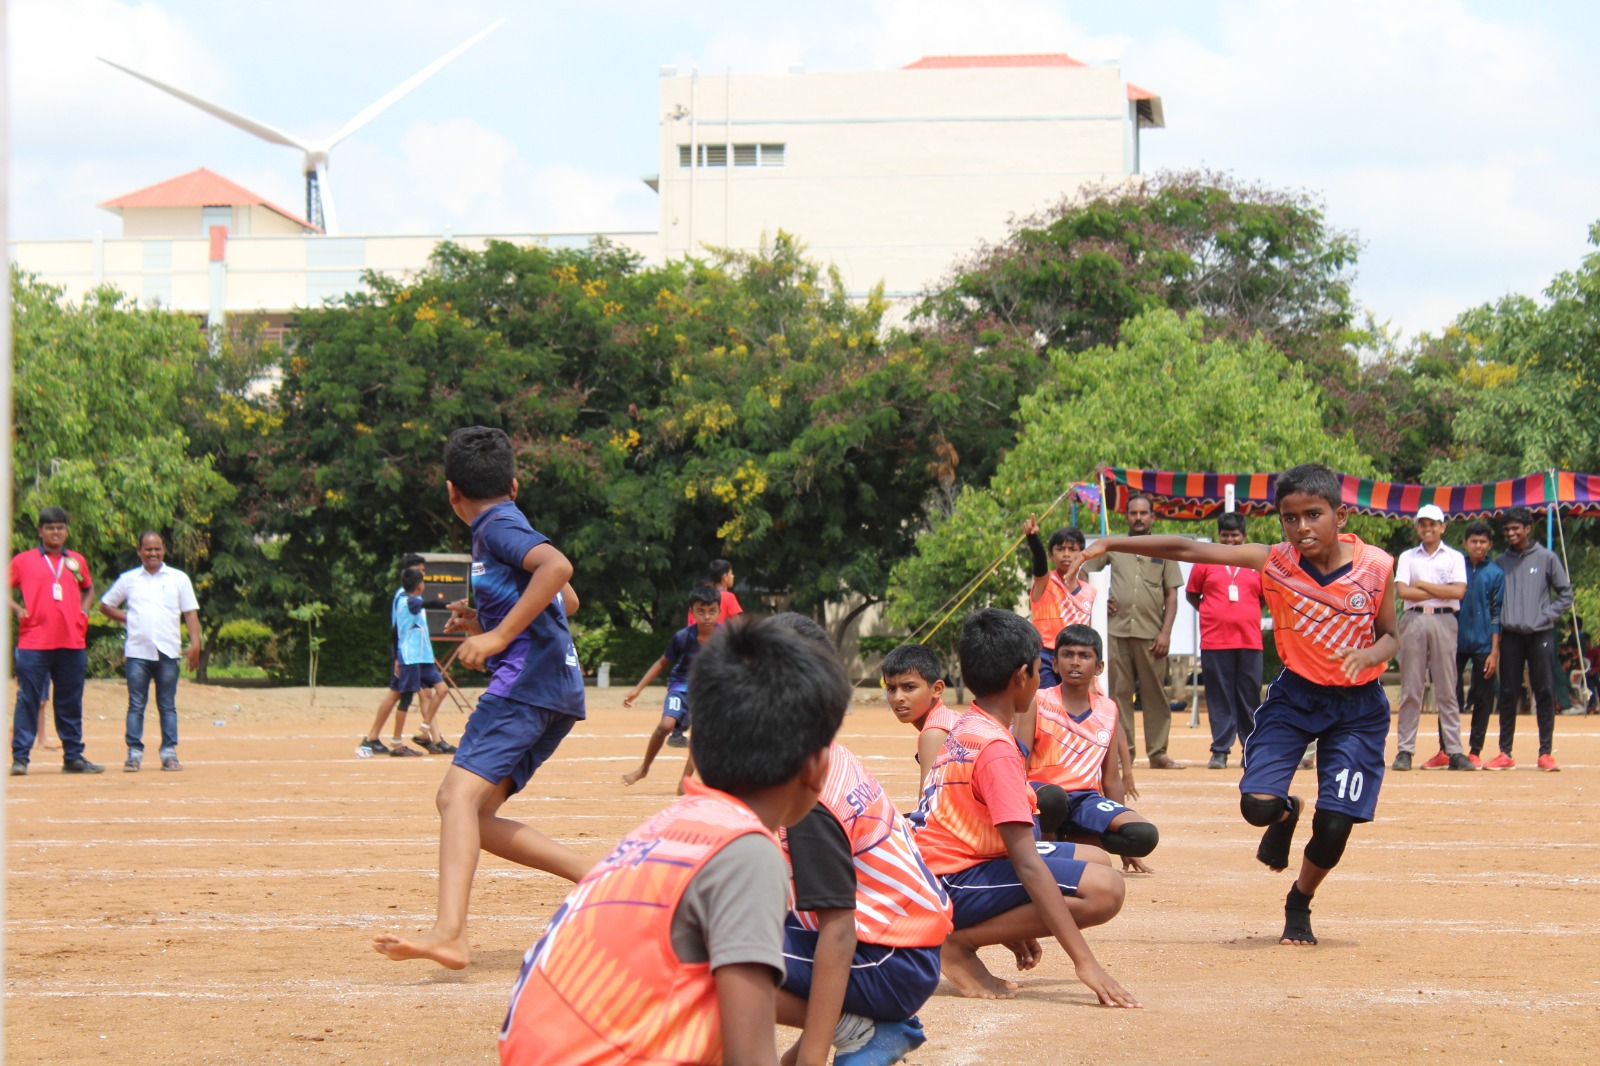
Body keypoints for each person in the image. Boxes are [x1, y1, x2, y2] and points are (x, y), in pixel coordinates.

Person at [499, 617, 847, 1066]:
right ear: (818, 768)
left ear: (697, 750)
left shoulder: (669, 823)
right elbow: (751, 1057)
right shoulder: (749, 854)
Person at [1081, 463, 1398, 946]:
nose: (1302, 528)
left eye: (1314, 515)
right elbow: (1188, 548)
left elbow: (1392, 634)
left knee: (1335, 824)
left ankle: (1300, 900)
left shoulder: (1376, 566)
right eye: (1290, 518)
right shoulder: (1274, 560)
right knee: (1257, 807)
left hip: (1358, 707)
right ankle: (1285, 812)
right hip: (1297, 695)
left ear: (1341, 514)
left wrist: (1371, 654)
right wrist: (1111, 542)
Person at [373, 426, 589, 969]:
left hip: (525, 684)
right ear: (514, 483)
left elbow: (558, 570)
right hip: (554, 686)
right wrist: (487, 616)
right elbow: (568, 600)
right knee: (478, 815)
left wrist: (497, 635)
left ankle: (450, 933)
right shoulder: (510, 523)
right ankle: (600, 874)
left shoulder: (496, 525)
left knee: (455, 800)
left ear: (452, 492)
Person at [909, 608, 1137, 1007]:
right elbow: (1027, 863)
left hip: (940, 867)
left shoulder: (971, 725)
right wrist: (1085, 962)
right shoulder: (996, 749)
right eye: (1040, 667)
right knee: (1106, 890)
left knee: (1098, 859)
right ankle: (956, 943)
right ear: (1022, 677)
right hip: (949, 880)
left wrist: (1010, 920)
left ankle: (970, 930)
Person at [766, 613, 949, 1066]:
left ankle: (864, 1027)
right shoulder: (827, 753)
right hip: (904, 944)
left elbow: (838, 931)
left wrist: (809, 1057)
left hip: (891, 960)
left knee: (706, 956)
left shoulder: (806, 793)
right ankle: (865, 1024)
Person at [1020, 625, 1160, 877]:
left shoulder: (1108, 710)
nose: (1075, 662)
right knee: (1053, 798)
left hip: (1085, 800)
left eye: (1084, 656)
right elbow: (1019, 763)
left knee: (1144, 835)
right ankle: (1048, 839)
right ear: (1054, 663)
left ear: (1098, 667)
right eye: (1067, 654)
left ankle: (1067, 841)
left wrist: (1122, 842)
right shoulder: (1037, 701)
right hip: (1042, 797)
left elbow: (1111, 778)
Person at [1082, 492, 1185, 769]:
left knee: (1156, 695)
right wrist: (1097, 599)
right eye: (1133, 513)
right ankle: (1123, 751)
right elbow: (1083, 571)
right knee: (1119, 695)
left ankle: (1158, 752)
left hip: (1153, 635)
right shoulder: (1115, 546)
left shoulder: (1164, 549)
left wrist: (1165, 633)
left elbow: (1172, 596)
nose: (1138, 518)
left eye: (1143, 513)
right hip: (1116, 633)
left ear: (1152, 517)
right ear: (1126, 517)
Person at [98, 531, 202, 772]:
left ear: (164, 550)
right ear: (139, 551)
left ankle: (169, 753)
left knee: (167, 705)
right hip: (137, 653)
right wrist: (130, 618)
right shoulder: (128, 579)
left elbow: (190, 613)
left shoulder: (178, 578)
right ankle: (134, 753)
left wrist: (196, 643)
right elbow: (105, 605)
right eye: (148, 549)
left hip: (168, 652)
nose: (153, 553)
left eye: (157, 549)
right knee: (136, 704)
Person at [10, 507, 102, 776]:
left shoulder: (76, 560)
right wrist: (17, 610)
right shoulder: (23, 561)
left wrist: (84, 611)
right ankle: (21, 759)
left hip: (71, 641)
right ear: (40, 531)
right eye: (50, 528)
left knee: (70, 701)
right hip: (33, 642)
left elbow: (88, 587)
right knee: (28, 699)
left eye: (60, 527)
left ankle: (73, 757)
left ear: (66, 531)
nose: (56, 532)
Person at [1486, 507, 1573, 771]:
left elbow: (1566, 593)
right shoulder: (1500, 562)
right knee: (1509, 693)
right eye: (1507, 529)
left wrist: (1547, 615)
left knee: (1544, 690)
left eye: (1516, 528)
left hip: (1540, 634)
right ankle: (1505, 752)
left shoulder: (1546, 558)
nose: (1511, 533)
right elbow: (1493, 600)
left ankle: (1545, 753)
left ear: (1528, 529)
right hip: (1511, 634)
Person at [1393, 504, 1472, 771]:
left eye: (1433, 524)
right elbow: (1404, 592)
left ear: (1443, 526)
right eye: (1423, 524)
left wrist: (1423, 586)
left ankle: (1454, 750)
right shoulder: (1407, 557)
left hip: (1444, 619)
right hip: (1414, 619)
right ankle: (1405, 749)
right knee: (1411, 688)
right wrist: (1442, 590)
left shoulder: (1454, 557)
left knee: (1447, 687)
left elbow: (1458, 592)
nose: (1428, 529)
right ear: (1418, 527)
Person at [622, 584, 722, 792]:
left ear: (719, 612)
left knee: (699, 733)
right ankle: (644, 768)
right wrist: (637, 689)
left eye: (712, 611)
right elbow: (661, 663)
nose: (706, 617)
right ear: (692, 612)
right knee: (665, 726)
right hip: (681, 687)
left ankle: (684, 782)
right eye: (701, 611)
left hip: (706, 692)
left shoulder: (726, 637)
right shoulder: (683, 637)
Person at [1185, 512, 1265, 770]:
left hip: (1249, 641)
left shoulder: (1256, 564)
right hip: (1215, 641)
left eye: (1235, 535)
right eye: (1225, 535)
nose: (1230, 540)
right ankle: (1220, 750)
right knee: (1219, 697)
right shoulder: (1205, 561)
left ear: (1244, 536)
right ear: (1219, 536)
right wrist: (1212, 613)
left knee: (1249, 697)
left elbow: (1263, 598)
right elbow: (1192, 595)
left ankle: (1250, 749)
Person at [362, 554, 433, 756]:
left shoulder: (412, 595)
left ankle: (431, 737)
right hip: (405, 653)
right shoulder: (404, 596)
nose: (423, 575)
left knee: (423, 693)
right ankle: (374, 738)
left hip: (413, 652)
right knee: (399, 693)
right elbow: (397, 629)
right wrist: (396, 657)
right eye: (420, 571)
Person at [669, 558, 744, 748]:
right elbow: (738, 626)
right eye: (732, 573)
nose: (733, 577)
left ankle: (679, 730)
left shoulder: (699, 599)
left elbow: (691, 626)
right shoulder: (727, 597)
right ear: (725, 576)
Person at [1022, 517, 1095, 688]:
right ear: (1051, 555)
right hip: (1046, 654)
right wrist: (1032, 538)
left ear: (1082, 554)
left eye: (1072, 549)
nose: (1067, 554)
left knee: (1076, 703)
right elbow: (1039, 561)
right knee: (1046, 704)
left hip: (1077, 655)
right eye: (1060, 549)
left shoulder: (1090, 592)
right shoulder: (1045, 582)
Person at [1455, 521, 1503, 768]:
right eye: (1473, 541)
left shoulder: (1495, 573)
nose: (1478, 546)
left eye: (1483, 542)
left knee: (1483, 698)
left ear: (1490, 544)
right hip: (1455, 640)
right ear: (1465, 543)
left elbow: (1497, 614)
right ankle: (1448, 748)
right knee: (1450, 696)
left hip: (1484, 643)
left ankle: (1475, 749)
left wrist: (1494, 652)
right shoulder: (1456, 567)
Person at [881, 643, 956, 792]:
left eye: (909, 687)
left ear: (937, 689)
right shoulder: (947, 718)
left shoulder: (935, 733)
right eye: (891, 688)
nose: (898, 698)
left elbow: (928, 808)